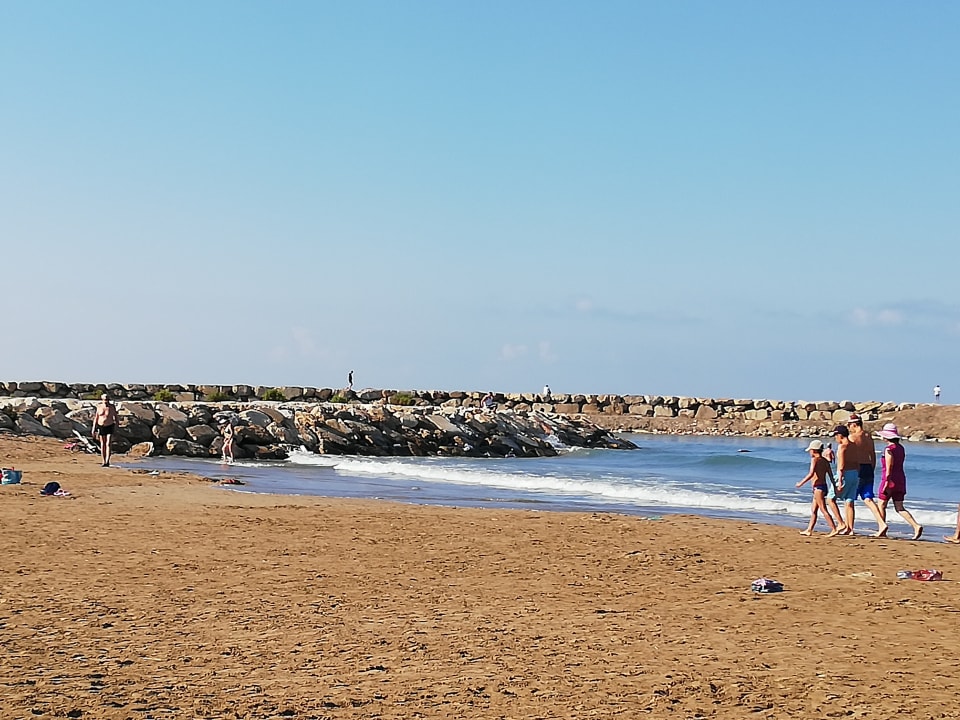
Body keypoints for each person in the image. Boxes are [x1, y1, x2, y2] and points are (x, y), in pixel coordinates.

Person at [876, 423, 923, 540]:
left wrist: (886, 483)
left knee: (881, 504)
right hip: (900, 479)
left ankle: (882, 528)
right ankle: (915, 525)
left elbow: (889, 467)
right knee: (899, 507)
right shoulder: (901, 448)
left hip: (890, 480)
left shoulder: (888, 450)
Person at [847, 415, 888, 537]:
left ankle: (850, 528)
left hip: (858, 468)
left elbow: (850, 456)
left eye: (849, 425)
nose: (849, 428)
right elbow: (872, 454)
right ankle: (881, 523)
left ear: (854, 425)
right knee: (868, 498)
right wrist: (872, 468)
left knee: (849, 499)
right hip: (868, 467)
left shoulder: (853, 437)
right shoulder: (868, 436)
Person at [796, 440, 840, 537]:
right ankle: (809, 530)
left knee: (823, 509)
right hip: (823, 487)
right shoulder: (825, 461)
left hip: (818, 488)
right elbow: (830, 475)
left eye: (810, 450)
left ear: (814, 450)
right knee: (814, 510)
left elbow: (811, 473)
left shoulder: (814, 460)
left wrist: (801, 483)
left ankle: (834, 529)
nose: (809, 452)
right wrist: (834, 486)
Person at [92, 394, 119, 467]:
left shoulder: (112, 407)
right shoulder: (99, 407)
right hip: (101, 426)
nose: (106, 401)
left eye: (107, 399)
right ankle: (103, 461)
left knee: (108, 443)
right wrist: (93, 428)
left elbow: (116, 417)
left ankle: (107, 461)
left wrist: (117, 426)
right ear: (102, 399)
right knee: (102, 443)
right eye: (105, 399)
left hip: (110, 426)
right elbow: (96, 418)